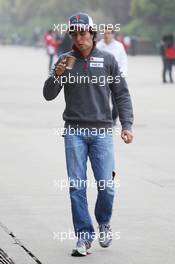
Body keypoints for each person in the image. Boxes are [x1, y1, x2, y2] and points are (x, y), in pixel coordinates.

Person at [43, 13, 134, 257]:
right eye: (74, 33)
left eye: (83, 32)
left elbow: (121, 94)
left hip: (102, 132)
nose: (79, 37)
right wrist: (57, 75)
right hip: (74, 132)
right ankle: (84, 237)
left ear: (92, 33)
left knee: (107, 186)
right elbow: (48, 94)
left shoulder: (107, 60)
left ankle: (103, 222)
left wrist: (127, 124)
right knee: (76, 186)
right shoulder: (65, 60)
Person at [97, 29, 128, 125]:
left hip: (116, 76)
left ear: (113, 35)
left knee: (116, 101)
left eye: (109, 33)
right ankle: (104, 118)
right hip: (102, 77)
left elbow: (123, 61)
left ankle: (113, 118)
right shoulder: (98, 46)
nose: (106, 35)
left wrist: (122, 75)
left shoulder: (119, 46)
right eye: (105, 33)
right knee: (102, 99)